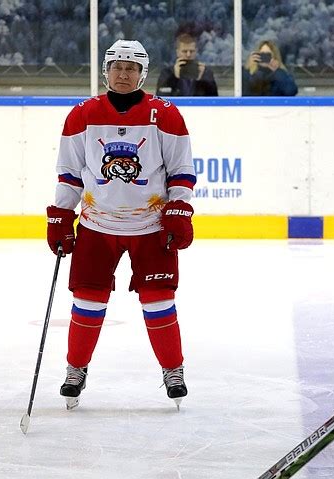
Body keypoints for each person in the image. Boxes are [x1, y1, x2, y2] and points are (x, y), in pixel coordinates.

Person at [46, 39, 196, 411]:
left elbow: (181, 170)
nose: (123, 73)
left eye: (131, 68)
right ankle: (75, 369)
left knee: (160, 301)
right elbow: (69, 174)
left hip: (151, 226)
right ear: (106, 71)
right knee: (87, 300)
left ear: (142, 73)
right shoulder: (82, 115)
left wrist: (179, 207)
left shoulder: (166, 114)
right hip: (97, 226)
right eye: (117, 67)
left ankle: (172, 370)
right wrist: (62, 216)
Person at [156, 32, 218, 97]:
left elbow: (214, 99)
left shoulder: (206, 72)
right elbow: (161, 98)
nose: (188, 55)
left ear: (196, 51)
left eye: (191, 51)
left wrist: (201, 80)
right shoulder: (167, 73)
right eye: (184, 51)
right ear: (177, 52)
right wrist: (175, 77)